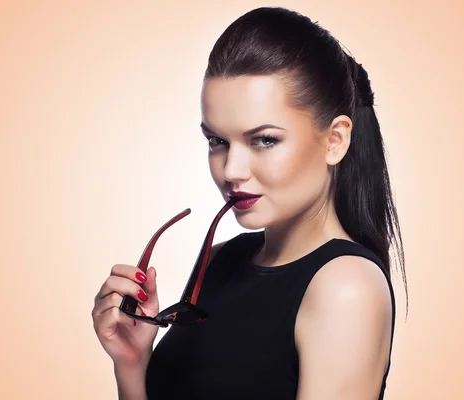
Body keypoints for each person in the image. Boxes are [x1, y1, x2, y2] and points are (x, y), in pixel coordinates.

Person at [92, 6, 407, 400]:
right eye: (217, 141)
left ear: (335, 140)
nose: (232, 170)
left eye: (264, 140)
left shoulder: (345, 288)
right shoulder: (218, 262)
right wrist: (132, 363)